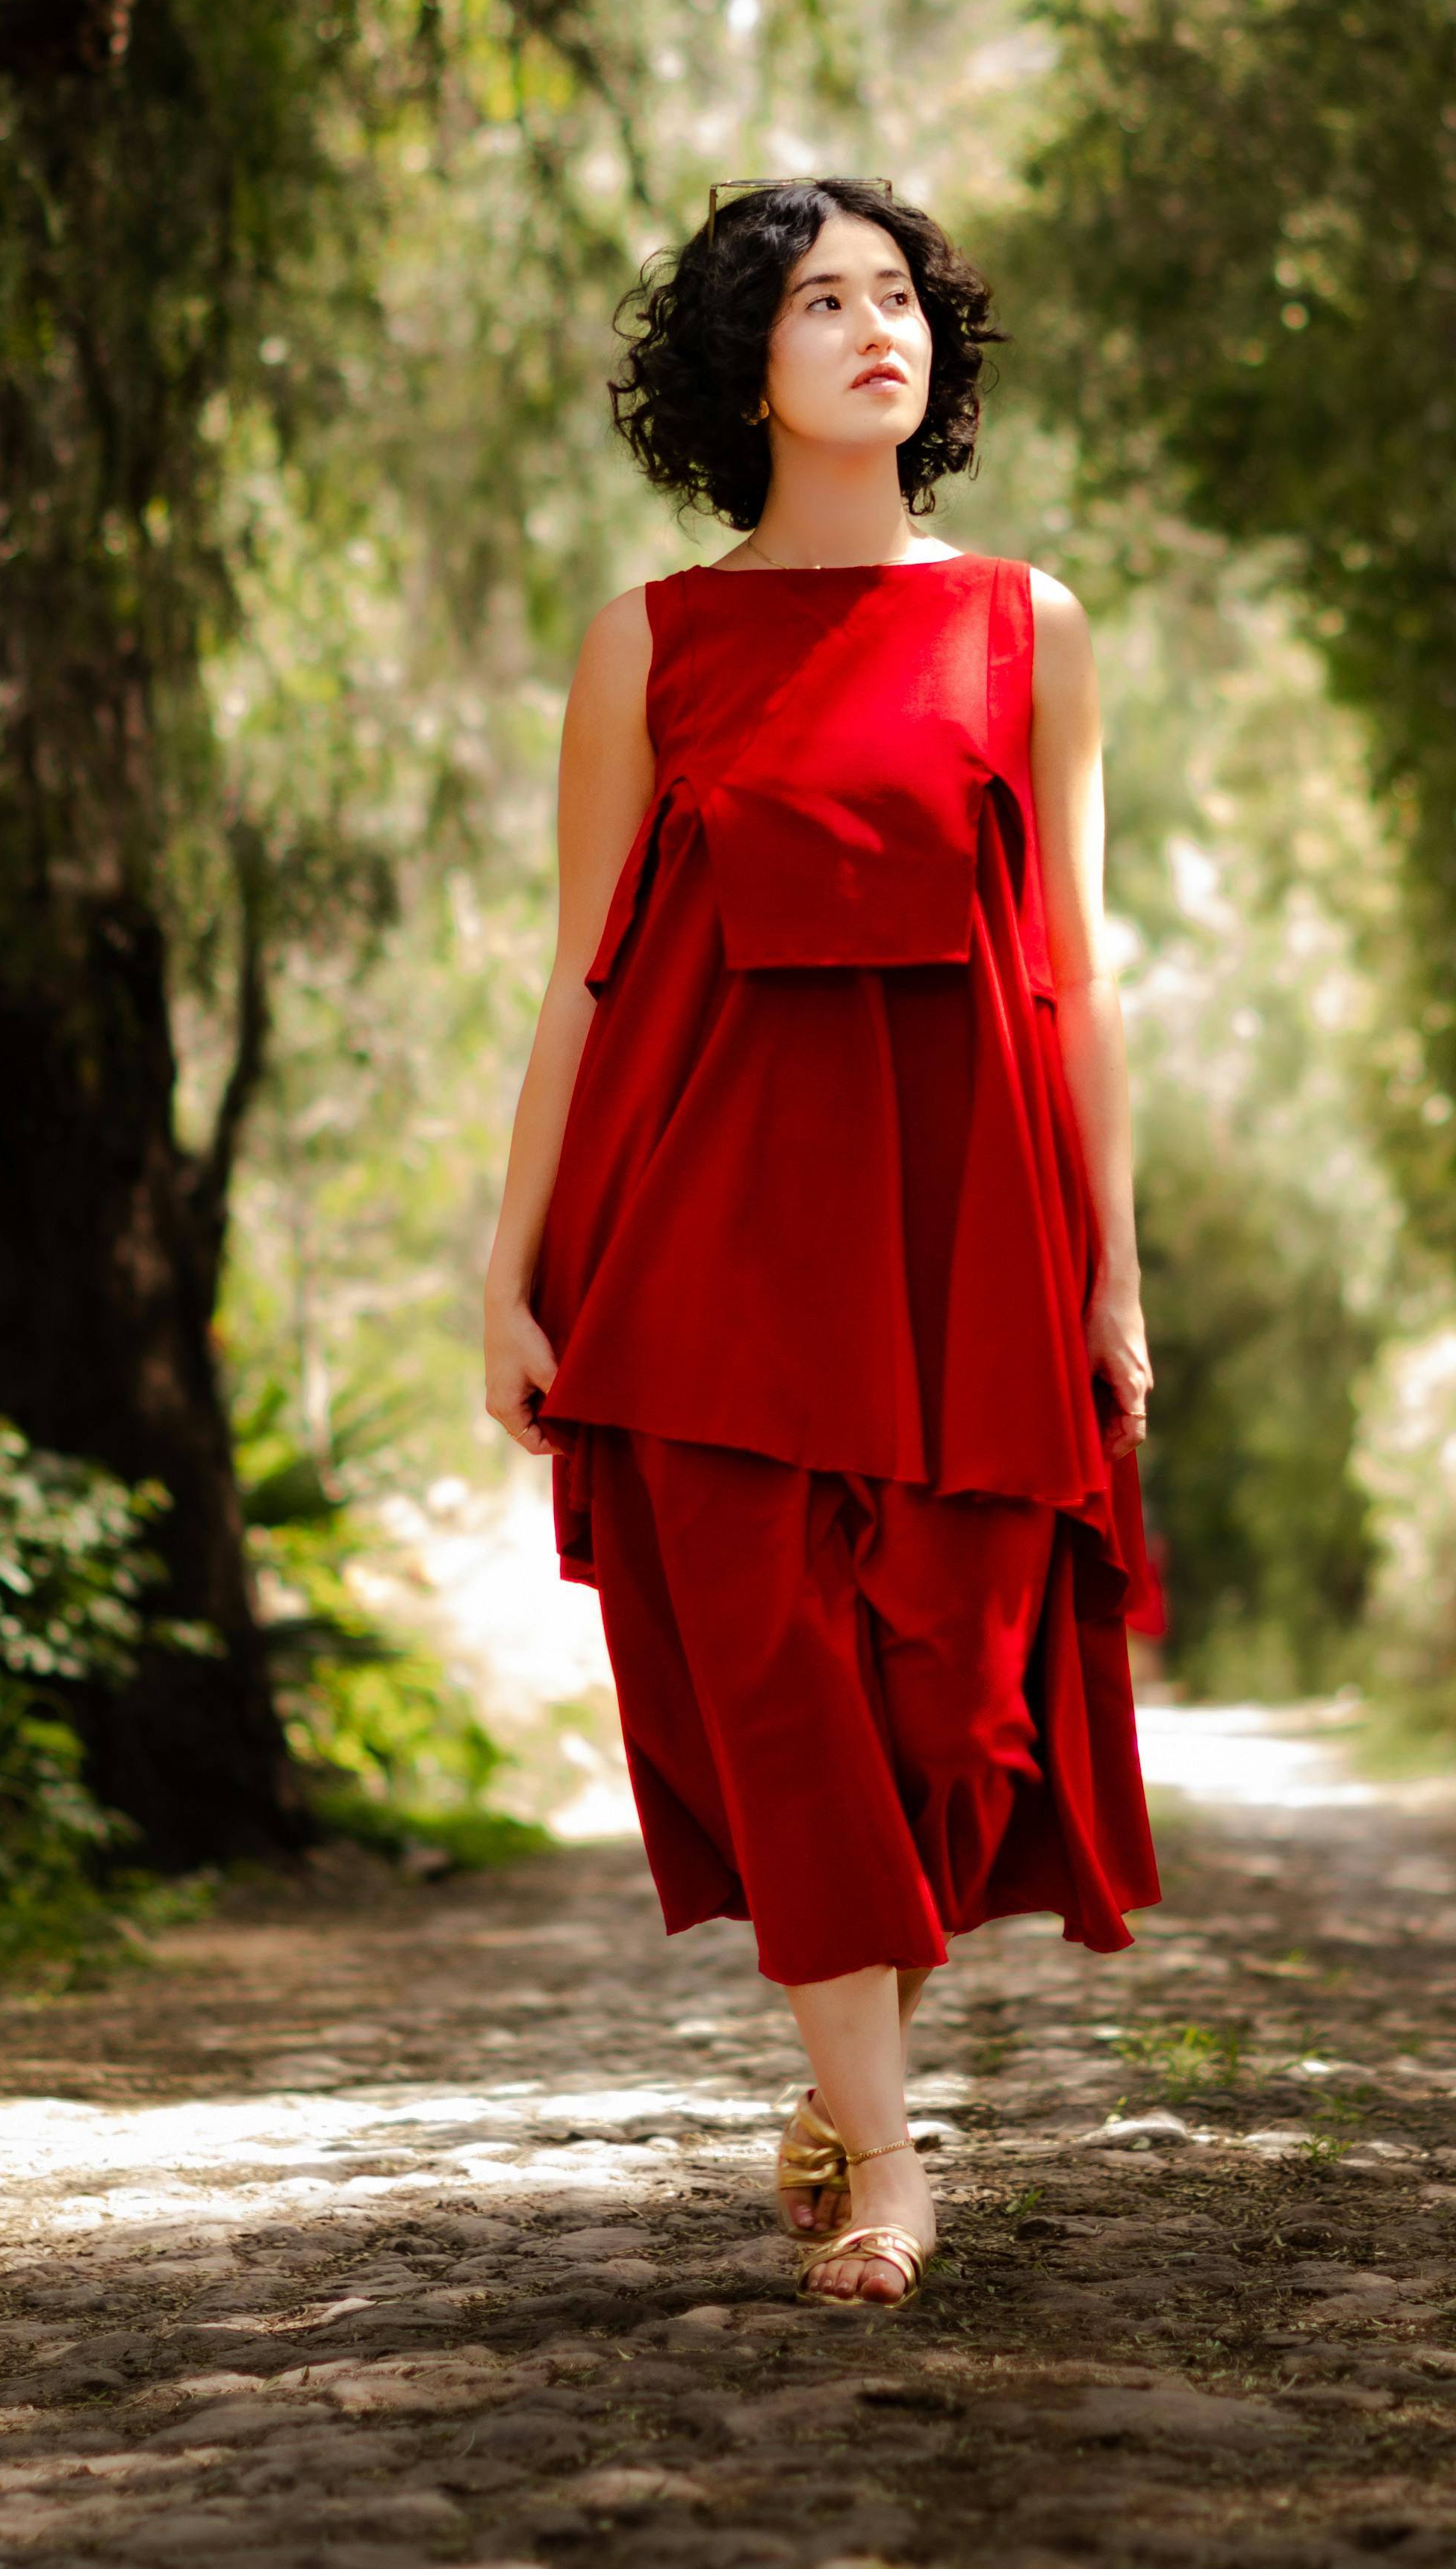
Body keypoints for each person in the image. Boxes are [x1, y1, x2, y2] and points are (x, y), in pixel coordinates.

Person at [482, 178, 1159, 2307]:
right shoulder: (650, 644)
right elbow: (581, 980)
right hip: (698, 1238)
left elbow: (1076, 967)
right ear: (738, 367)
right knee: (773, 1681)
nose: (874, 327)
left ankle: (847, 2058)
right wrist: (508, 1269)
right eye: (815, 301)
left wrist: (1110, 1270)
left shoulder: (1022, 627)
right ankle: (886, 2159)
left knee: (953, 1715)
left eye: (896, 296)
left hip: (964, 1221)